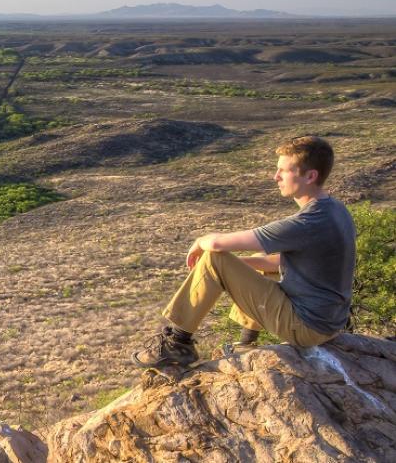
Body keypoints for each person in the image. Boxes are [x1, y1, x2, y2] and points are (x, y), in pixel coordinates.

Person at [133, 136, 356, 368]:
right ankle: (247, 342)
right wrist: (235, 269)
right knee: (255, 260)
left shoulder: (307, 221)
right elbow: (282, 261)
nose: (275, 177)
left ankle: (177, 342)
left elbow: (218, 245)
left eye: (283, 171)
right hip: (327, 322)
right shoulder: (335, 209)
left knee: (214, 257)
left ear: (310, 176)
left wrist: (201, 241)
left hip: (306, 327)